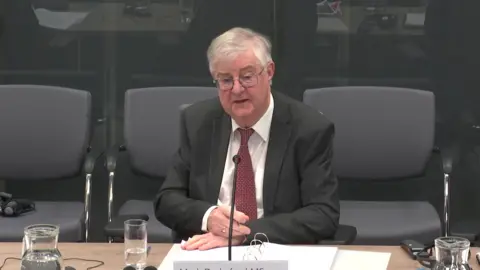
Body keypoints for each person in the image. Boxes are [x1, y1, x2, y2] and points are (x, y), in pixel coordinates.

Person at [154, 27, 339, 250]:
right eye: (225, 80)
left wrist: (244, 234)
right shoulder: (197, 122)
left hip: (275, 250)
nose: (237, 89)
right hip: (207, 250)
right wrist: (209, 216)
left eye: (247, 77)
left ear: (269, 72)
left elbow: (322, 214)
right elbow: (167, 200)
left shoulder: (308, 129)